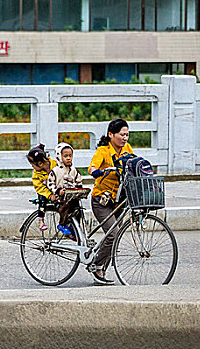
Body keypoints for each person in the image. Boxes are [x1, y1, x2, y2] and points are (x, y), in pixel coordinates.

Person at [88, 118, 133, 285]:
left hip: (118, 198)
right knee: (113, 234)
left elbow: (133, 163)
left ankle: (101, 268)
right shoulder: (103, 151)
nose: (125, 138)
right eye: (122, 135)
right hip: (102, 200)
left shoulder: (127, 149)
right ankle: (96, 266)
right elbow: (92, 168)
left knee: (115, 235)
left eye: (127, 135)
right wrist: (97, 173)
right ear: (111, 135)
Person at [47, 142, 83, 239]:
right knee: (65, 208)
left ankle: (75, 229)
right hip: (61, 197)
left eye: (70, 156)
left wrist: (79, 187)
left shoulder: (73, 170)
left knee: (78, 210)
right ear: (59, 157)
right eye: (65, 156)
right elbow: (50, 183)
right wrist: (57, 191)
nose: (68, 158)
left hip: (72, 195)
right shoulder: (55, 171)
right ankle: (62, 225)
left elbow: (78, 180)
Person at [26, 144, 57, 231]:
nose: (33, 167)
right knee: (42, 200)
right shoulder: (36, 174)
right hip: (45, 192)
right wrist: (49, 195)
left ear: (40, 163)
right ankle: (41, 221)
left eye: (33, 165)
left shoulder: (56, 165)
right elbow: (39, 187)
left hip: (58, 189)